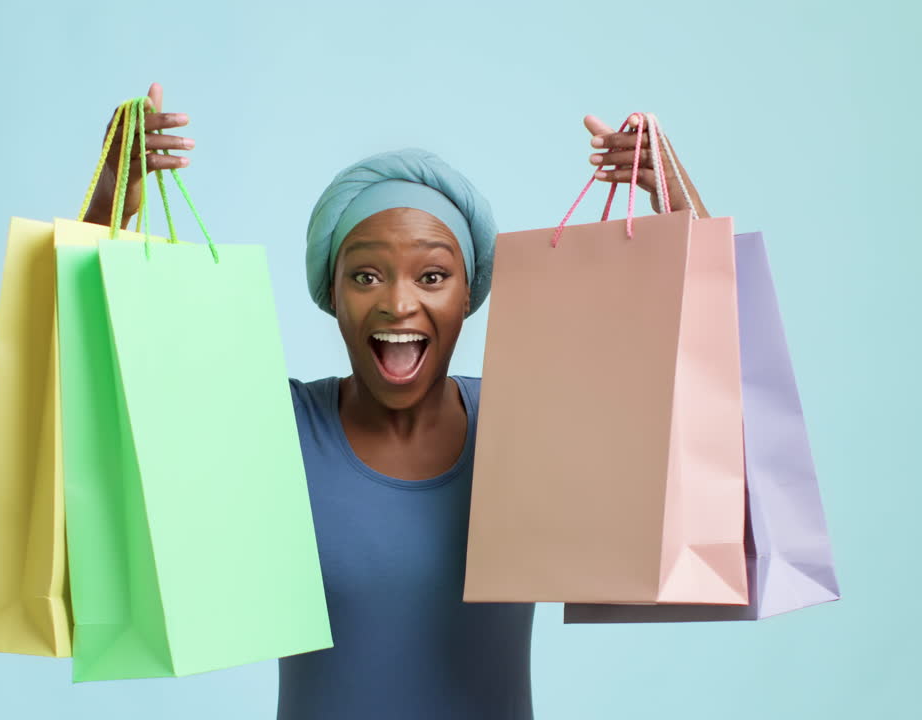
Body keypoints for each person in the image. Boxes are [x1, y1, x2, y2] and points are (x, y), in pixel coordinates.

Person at [82, 83, 708, 720]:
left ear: (471, 293)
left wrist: (675, 197)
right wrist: (110, 201)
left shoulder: (526, 426)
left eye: (432, 276)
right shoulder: (275, 431)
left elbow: (696, 400)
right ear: (332, 292)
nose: (398, 304)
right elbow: (101, 401)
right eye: (366, 275)